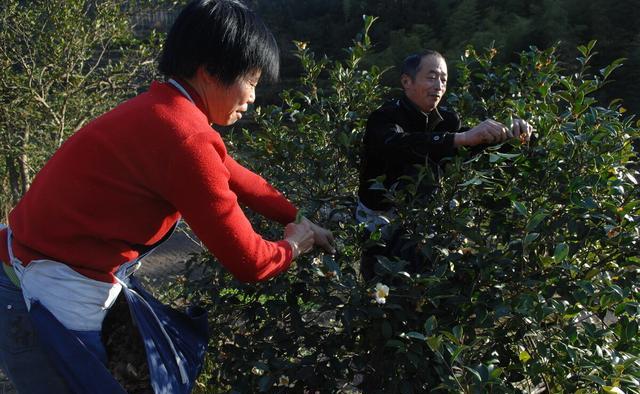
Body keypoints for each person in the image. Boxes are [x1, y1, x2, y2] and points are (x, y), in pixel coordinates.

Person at [0, 0, 334, 392]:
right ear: (210, 70)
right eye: (253, 82)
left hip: (37, 268)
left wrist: (296, 215)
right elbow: (251, 263)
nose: (253, 98)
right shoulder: (184, 137)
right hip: (38, 292)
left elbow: (236, 176)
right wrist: (295, 244)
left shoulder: (165, 111)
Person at [357, 50, 533, 281]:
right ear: (406, 82)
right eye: (431, 77)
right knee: (383, 291)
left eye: (443, 79)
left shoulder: (447, 120)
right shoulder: (384, 117)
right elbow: (398, 146)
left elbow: (467, 149)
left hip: (426, 222)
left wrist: (510, 137)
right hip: (379, 221)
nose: (438, 85)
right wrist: (458, 139)